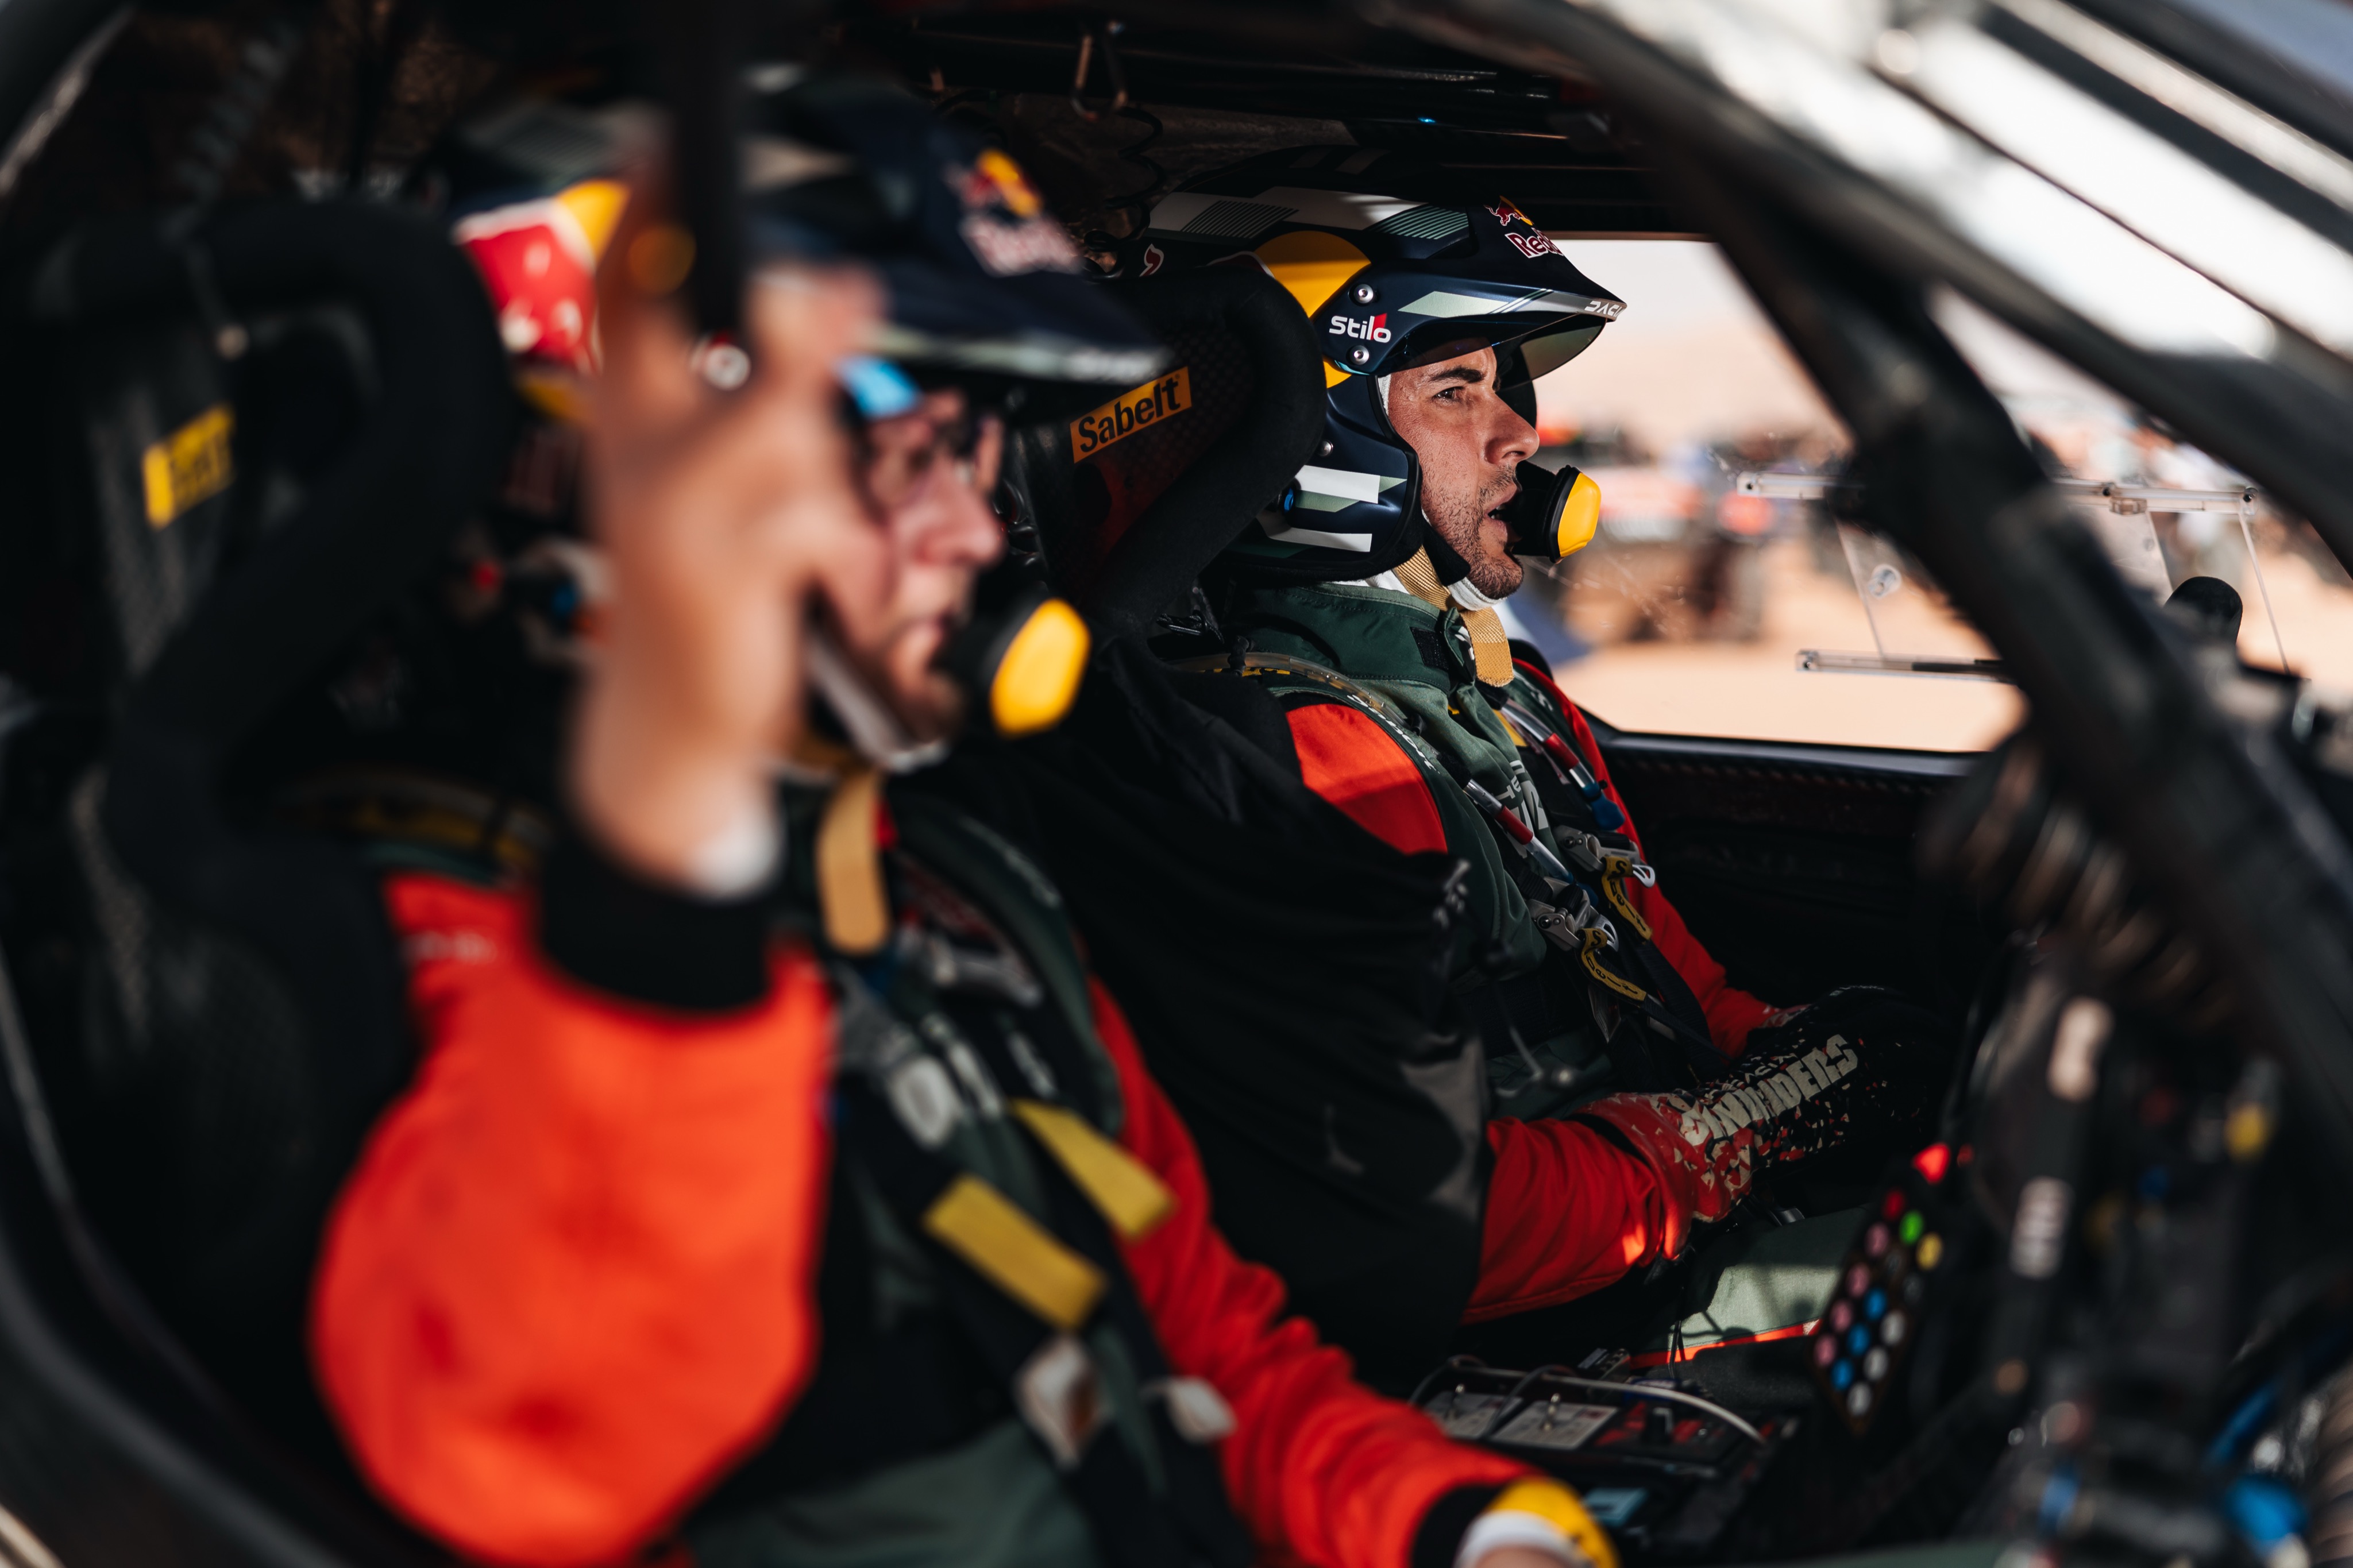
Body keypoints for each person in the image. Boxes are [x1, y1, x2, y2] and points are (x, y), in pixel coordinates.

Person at [309, 87, 1604, 1568]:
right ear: (618, 468)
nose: (976, 531)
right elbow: (530, 1461)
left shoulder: (946, 884)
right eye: (905, 446)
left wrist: (1454, 1525)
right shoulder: (403, 946)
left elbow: (1204, 1347)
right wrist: (680, 810)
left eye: (976, 450)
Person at [1071, 153, 1955, 1351]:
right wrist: (1726, 1141)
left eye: (1507, 387)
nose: (1518, 434)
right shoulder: (1303, 756)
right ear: (1308, 431)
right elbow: (1429, 1223)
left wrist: (1796, 1055)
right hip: (1555, 1318)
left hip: (1648, 1231)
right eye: (1454, 390)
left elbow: (1662, 981)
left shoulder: (1512, 697)